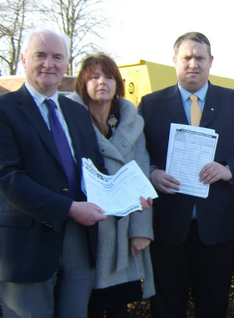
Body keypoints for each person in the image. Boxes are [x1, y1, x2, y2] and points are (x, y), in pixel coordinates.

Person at [138, 31, 234, 318]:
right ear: (175, 61)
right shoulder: (150, 104)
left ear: (211, 61)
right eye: (187, 57)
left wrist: (228, 169)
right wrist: (152, 173)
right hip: (168, 229)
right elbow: (136, 155)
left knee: (213, 307)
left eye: (200, 58)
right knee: (166, 308)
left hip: (217, 229)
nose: (193, 63)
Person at [0, 30, 108, 318]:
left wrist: (126, 196)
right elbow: (7, 177)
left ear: (66, 63)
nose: (49, 63)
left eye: (57, 57)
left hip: (79, 241)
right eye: (40, 56)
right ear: (24, 60)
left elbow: (95, 168)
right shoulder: (4, 109)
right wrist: (69, 208)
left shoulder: (76, 111)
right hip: (27, 245)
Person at [68, 53, 154, 318]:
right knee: (85, 307)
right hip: (85, 233)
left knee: (118, 309)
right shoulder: (69, 121)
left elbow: (142, 178)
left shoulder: (133, 125)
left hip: (122, 233)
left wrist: (141, 231)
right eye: (94, 77)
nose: (101, 82)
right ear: (83, 83)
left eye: (107, 76)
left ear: (117, 82)